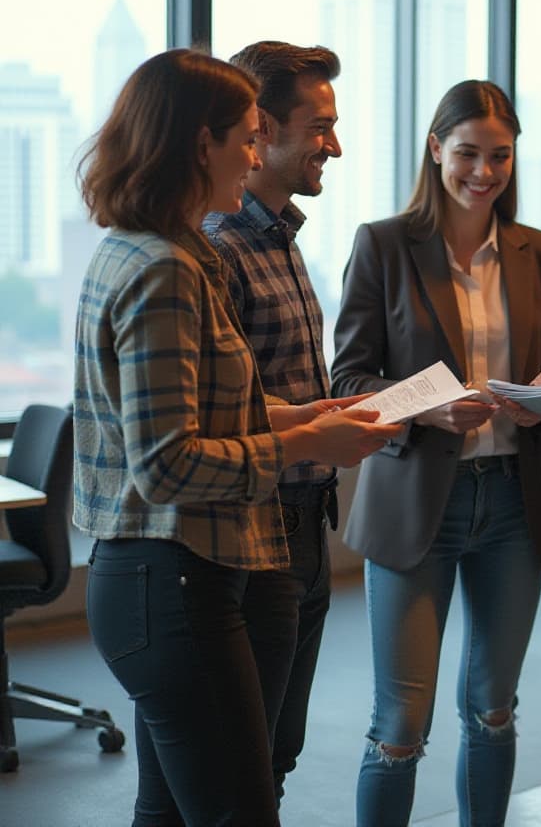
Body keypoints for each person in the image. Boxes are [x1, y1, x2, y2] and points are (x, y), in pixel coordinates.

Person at [73, 48, 399, 827]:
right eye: (247, 138)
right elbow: (167, 463)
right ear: (201, 145)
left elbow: (218, 412)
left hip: (166, 578)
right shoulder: (164, 268)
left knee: (172, 811)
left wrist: (306, 419)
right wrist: (304, 445)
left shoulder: (155, 248)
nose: (256, 157)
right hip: (174, 579)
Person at [331, 79, 541, 826]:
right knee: (401, 726)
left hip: (512, 496)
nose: (484, 172)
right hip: (413, 501)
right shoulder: (383, 243)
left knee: (493, 708)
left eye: (500, 156)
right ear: (436, 149)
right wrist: (429, 408)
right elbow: (348, 379)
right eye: (468, 153)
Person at [202, 41, 344, 805]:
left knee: (275, 753)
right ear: (259, 130)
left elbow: (270, 387)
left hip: (304, 518)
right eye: (319, 126)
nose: (335, 145)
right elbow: (217, 418)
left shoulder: (281, 238)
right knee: (247, 764)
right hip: (255, 534)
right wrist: (317, 430)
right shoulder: (221, 250)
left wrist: (331, 417)